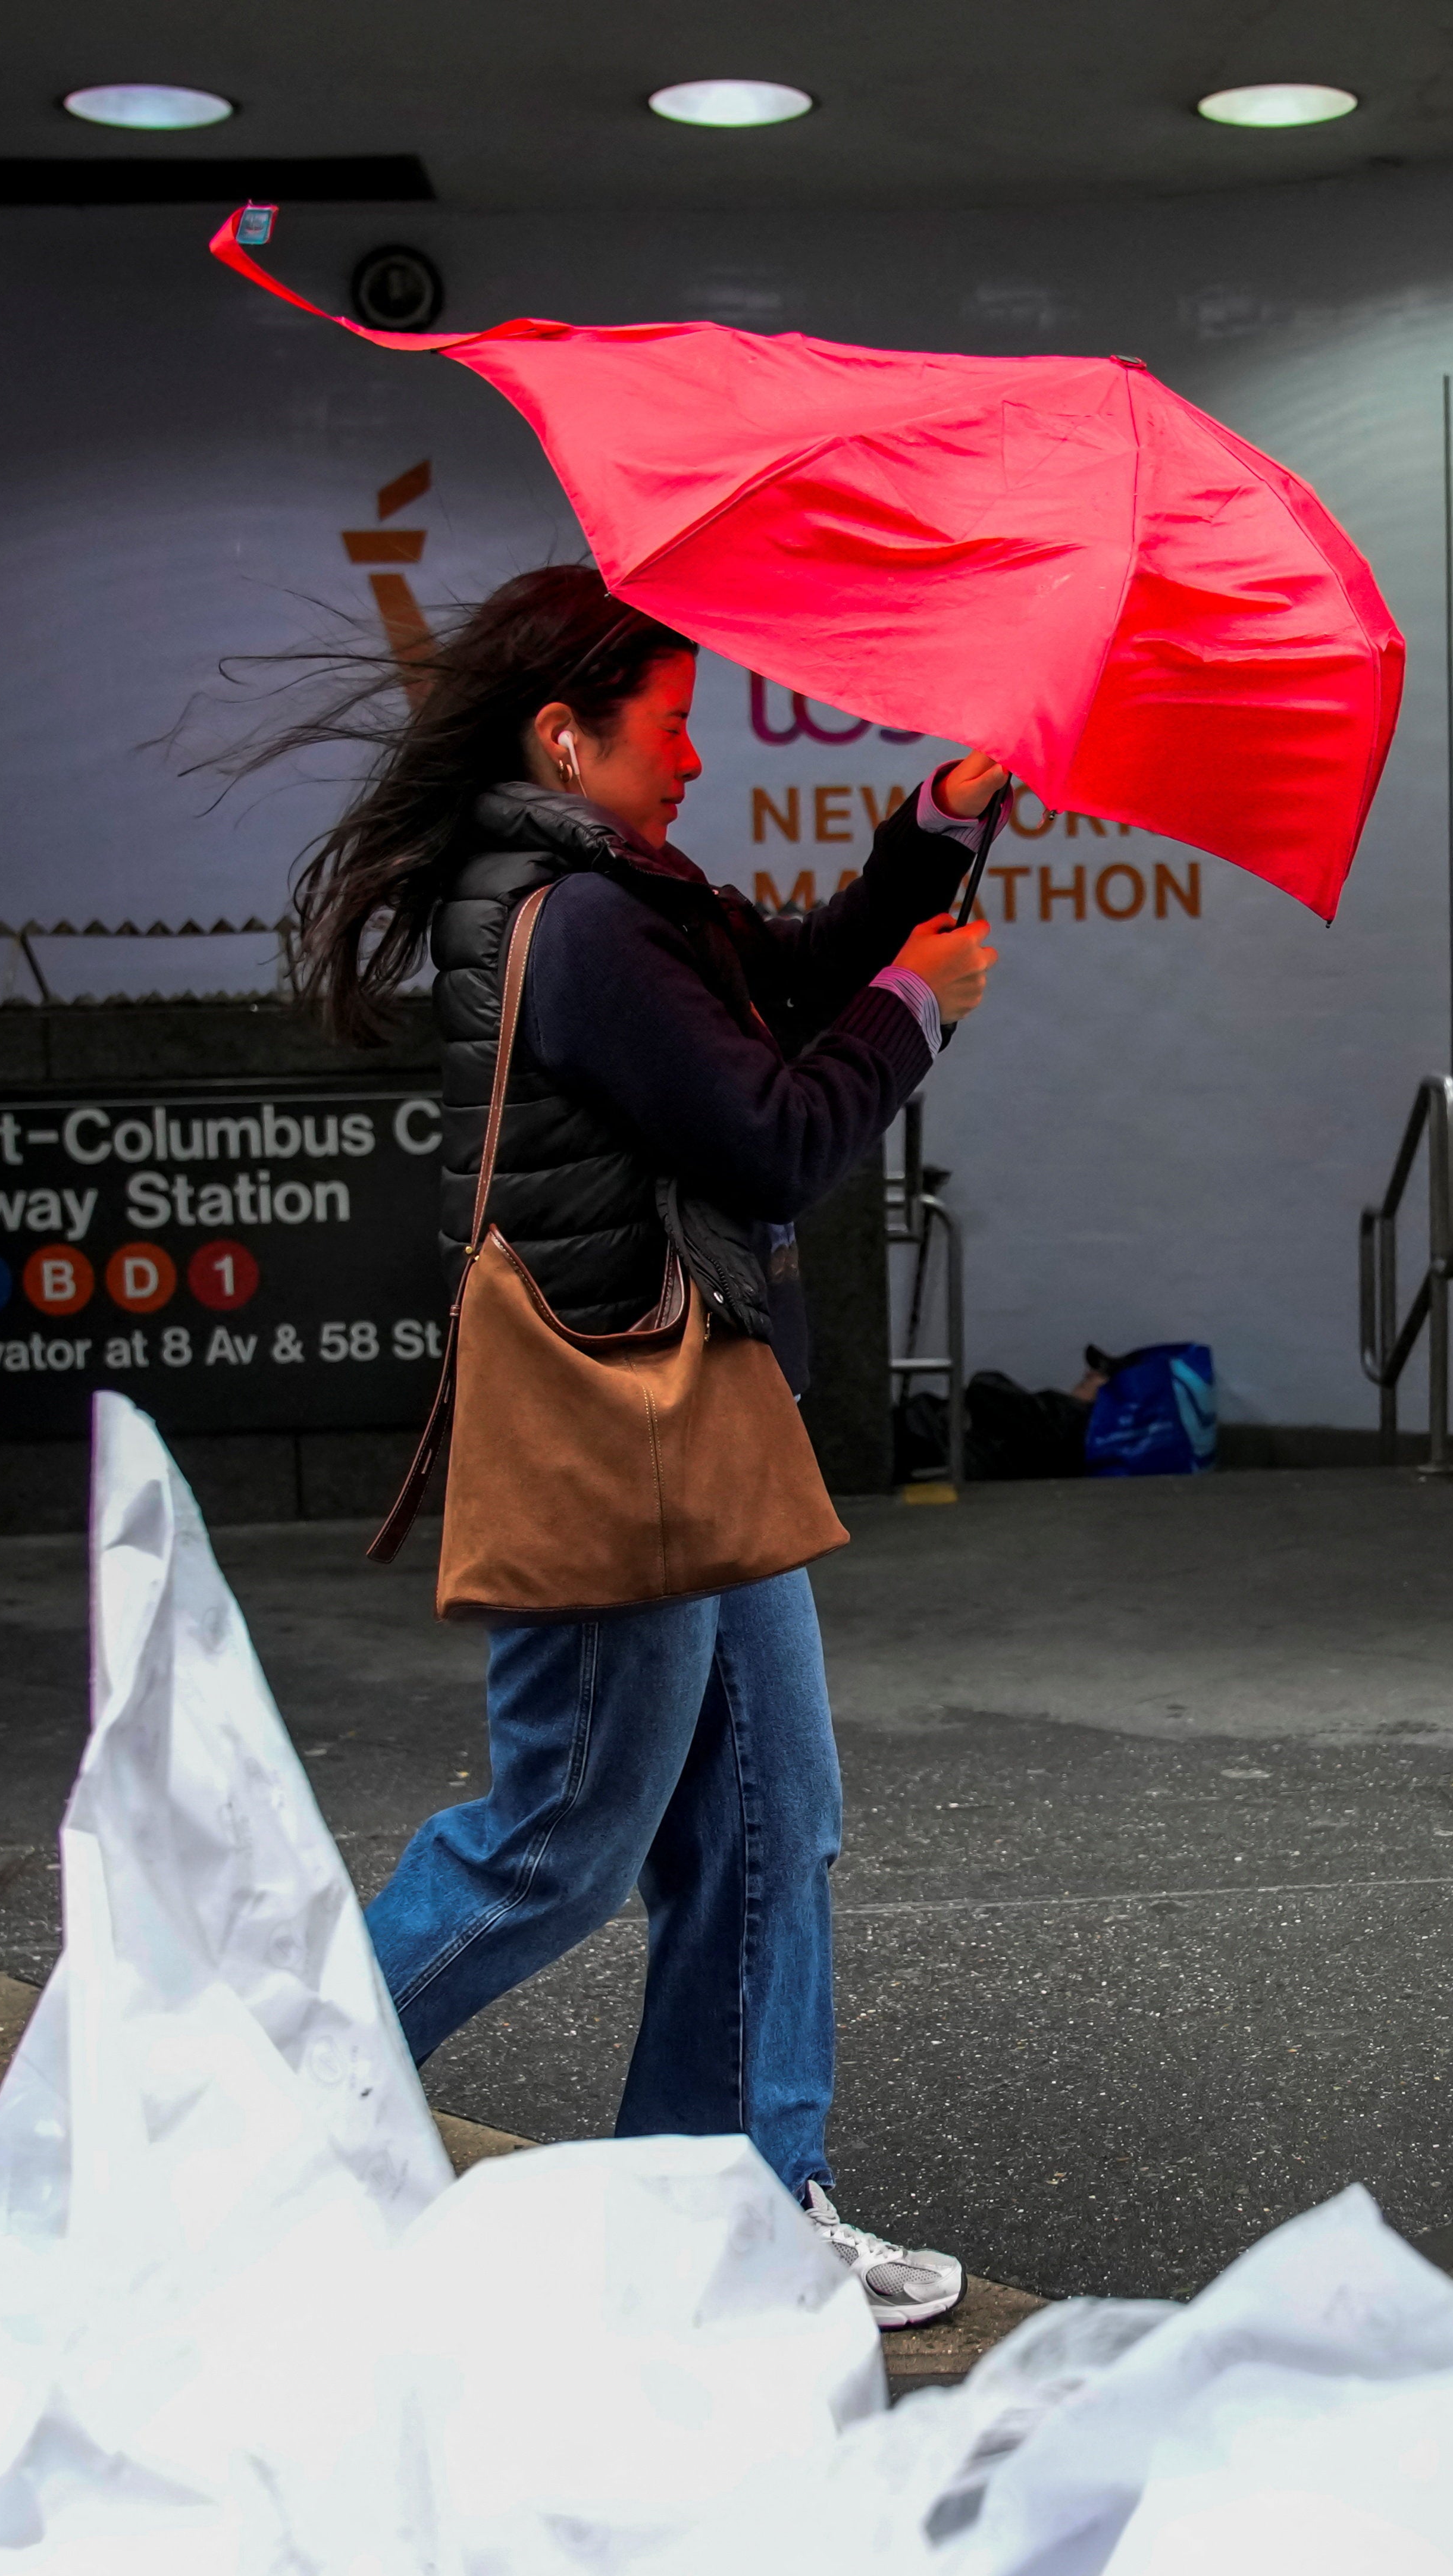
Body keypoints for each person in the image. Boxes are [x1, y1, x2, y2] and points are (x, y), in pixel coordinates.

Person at [274, 562, 1005, 2325]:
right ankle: (253, 2123)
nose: (695, 759)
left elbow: (773, 980)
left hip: (696, 1416)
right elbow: (767, 1138)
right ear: (564, 734)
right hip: (626, 1424)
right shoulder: (581, 922)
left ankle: (739, 2207)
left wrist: (929, 832)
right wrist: (918, 1011)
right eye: (669, 725)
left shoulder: (609, 890)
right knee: (561, 1845)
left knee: (771, 1825)